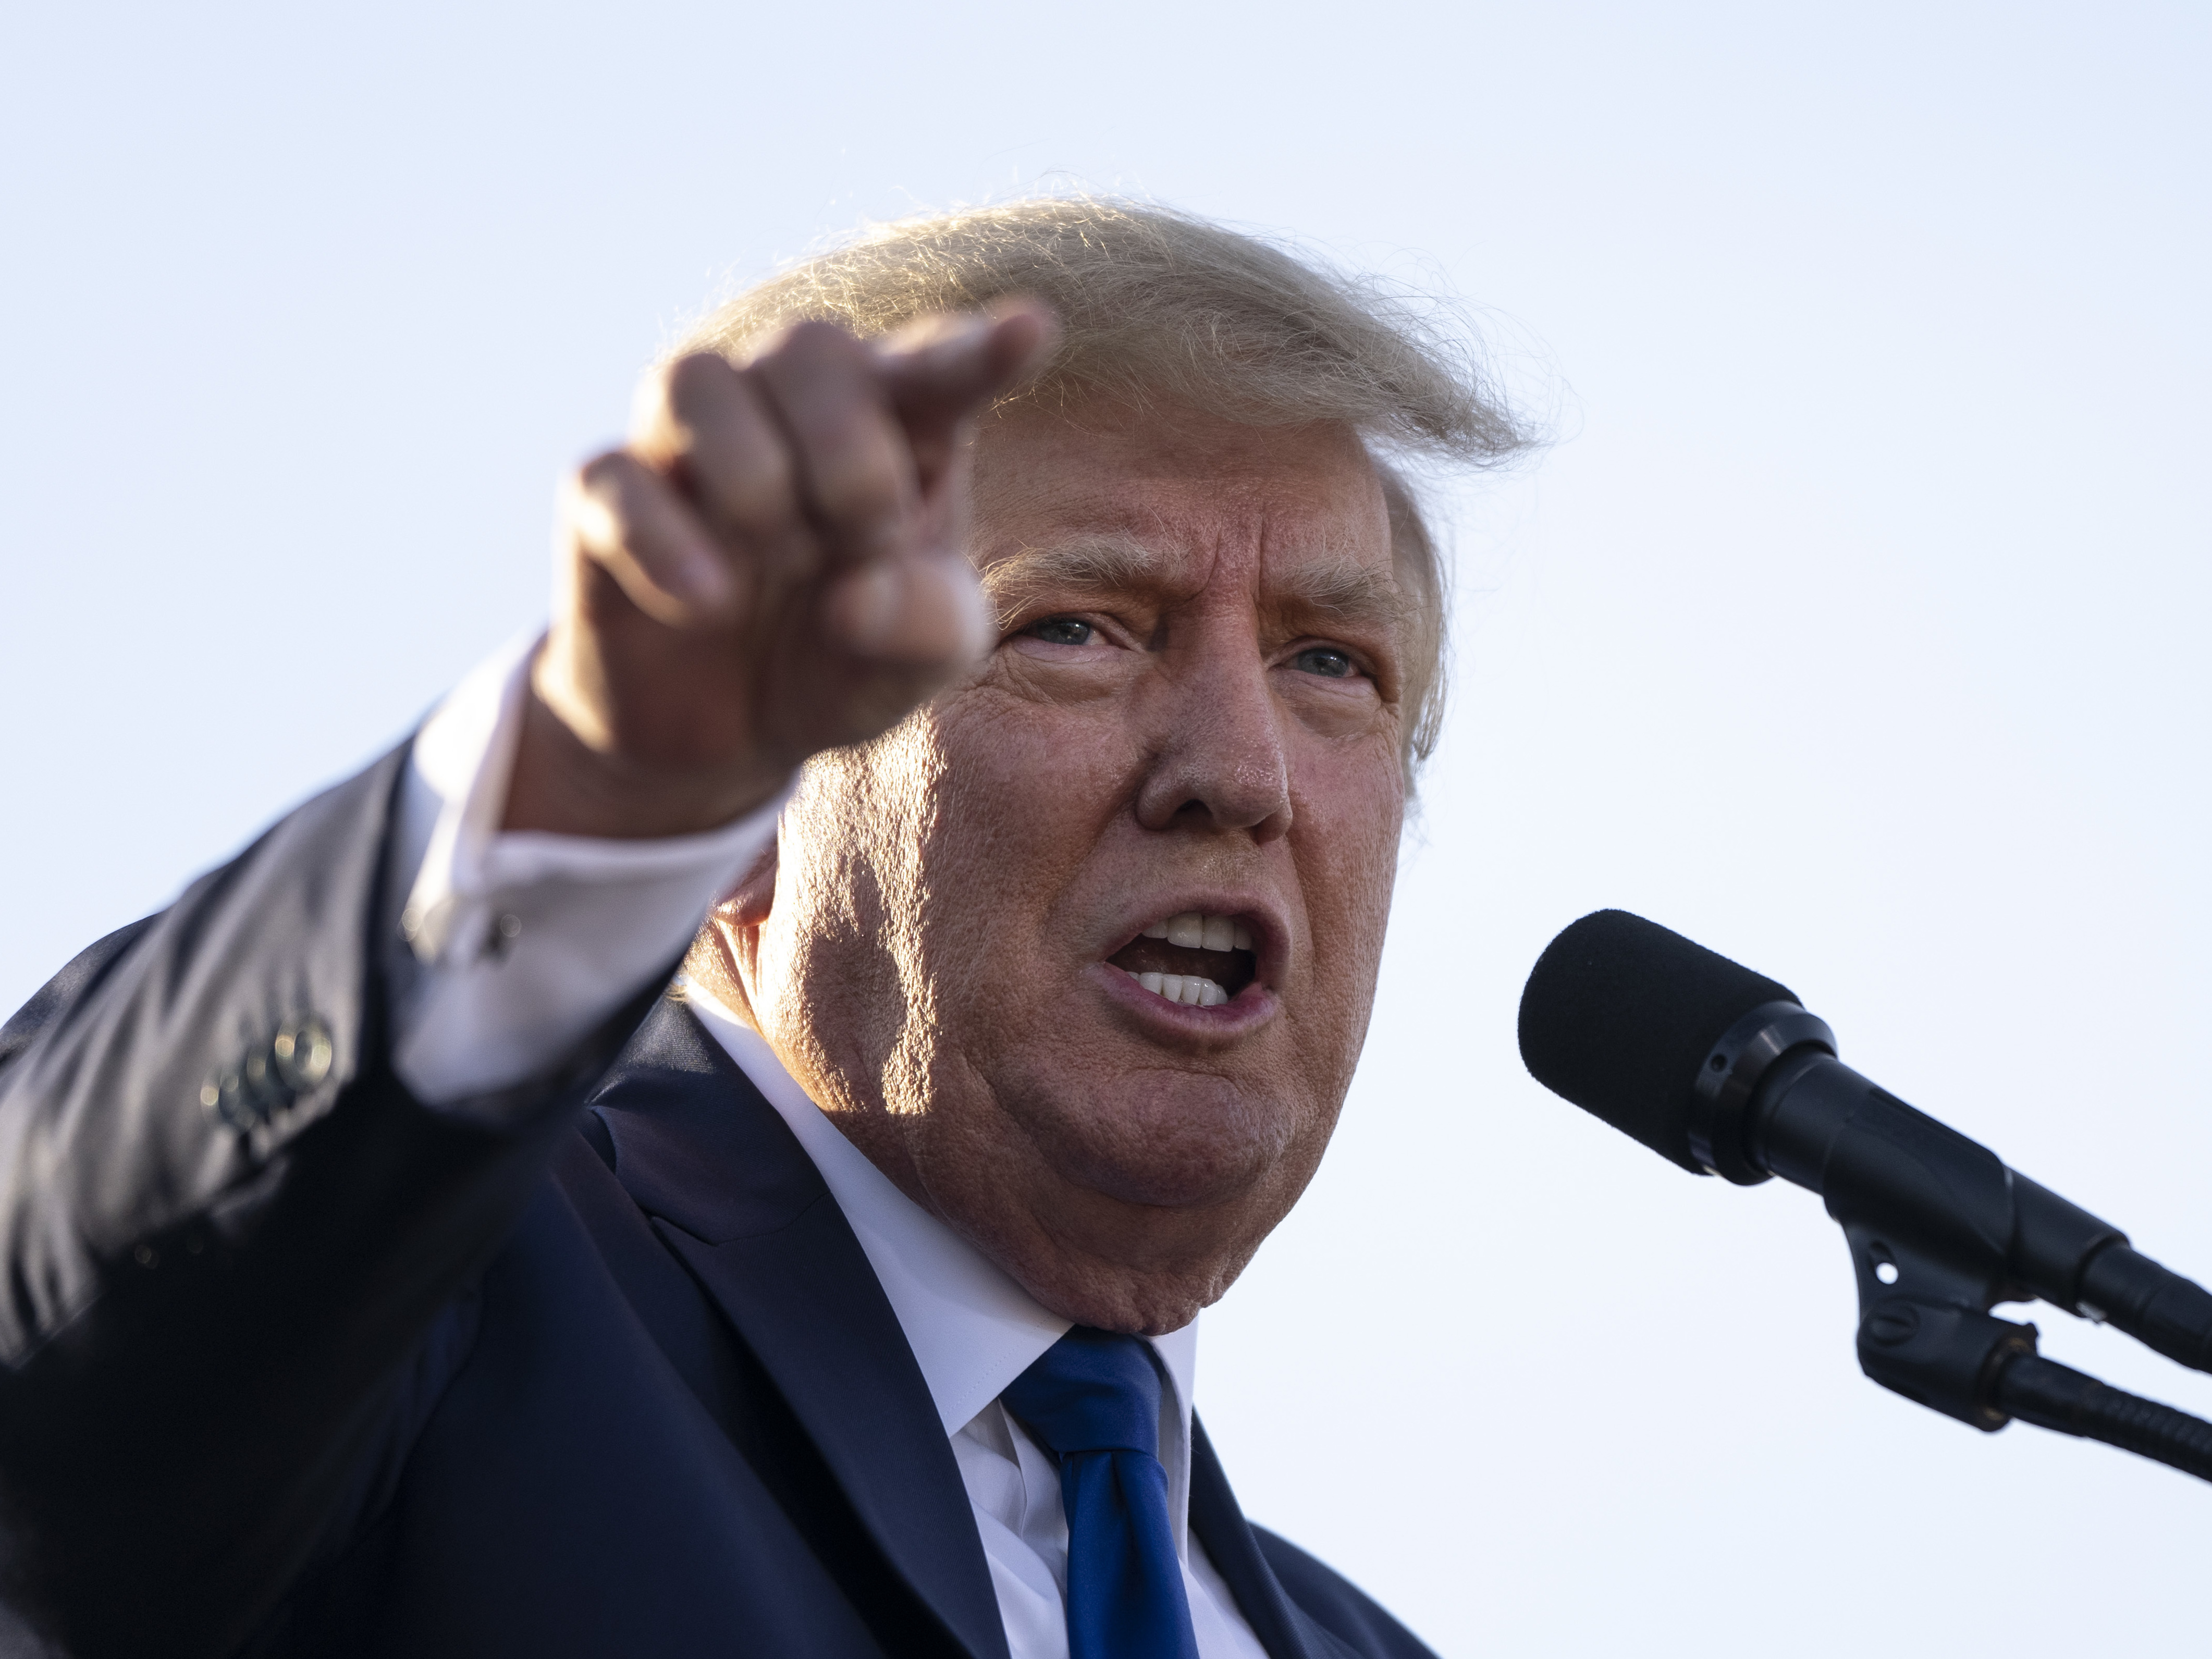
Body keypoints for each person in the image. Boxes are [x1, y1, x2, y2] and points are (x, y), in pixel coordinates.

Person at [0, 198, 1525, 1658]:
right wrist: (600, 778)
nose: (1237, 774)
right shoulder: (445, 1300)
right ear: (752, 797)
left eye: (1329, 663)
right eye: (1074, 628)